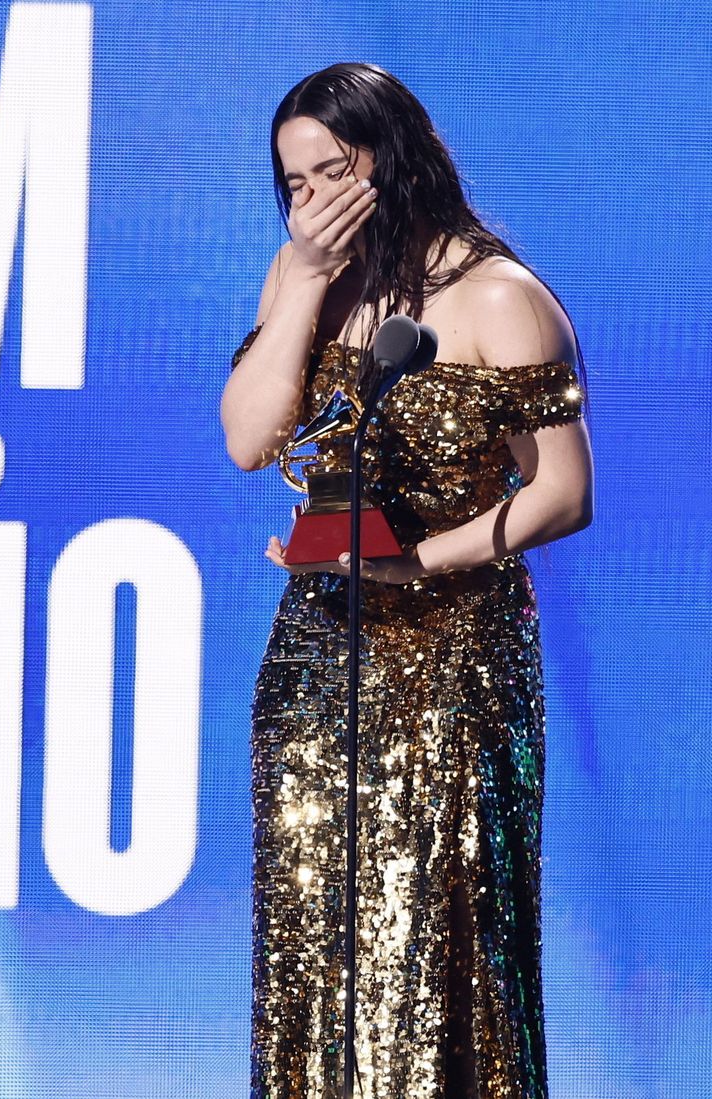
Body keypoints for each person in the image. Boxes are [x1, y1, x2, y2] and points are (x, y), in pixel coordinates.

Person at [220, 63, 594, 1098]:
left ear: (390, 158)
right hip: (316, 655)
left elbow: (560, 493)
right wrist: (297, 283)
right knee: (312, 940)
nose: (311, 201)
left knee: (435, 940)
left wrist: (416, 559)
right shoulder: (306, 279)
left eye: (330, 171)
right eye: (292, 183)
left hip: (454, 664)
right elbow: (251, 441)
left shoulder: (500, 297)